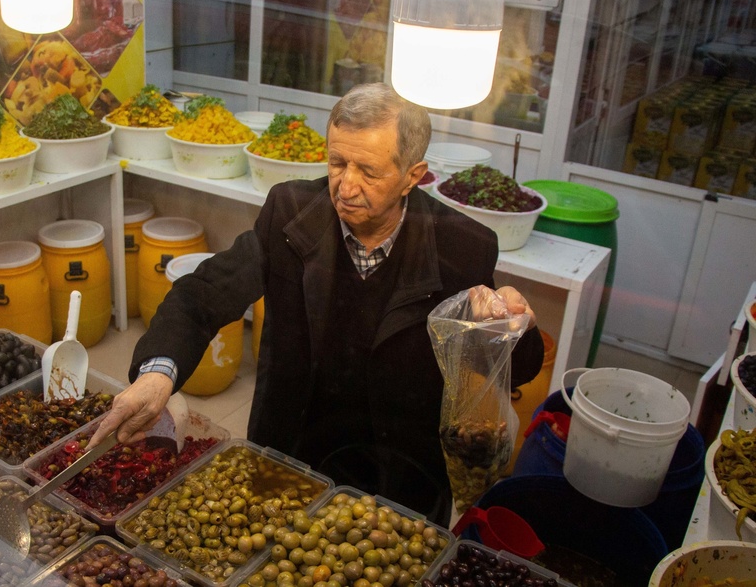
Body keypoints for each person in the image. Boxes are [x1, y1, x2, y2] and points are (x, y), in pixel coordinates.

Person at [91, 83, 543, 524]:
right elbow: (205, 292)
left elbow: (514, 368)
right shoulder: (290, 212)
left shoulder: (463, 247)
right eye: (336, 162)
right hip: (293, 450)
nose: (345, 186)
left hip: (401, 475)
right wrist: (158, 372)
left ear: (413, 175)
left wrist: (512, 324)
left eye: (368, 171)